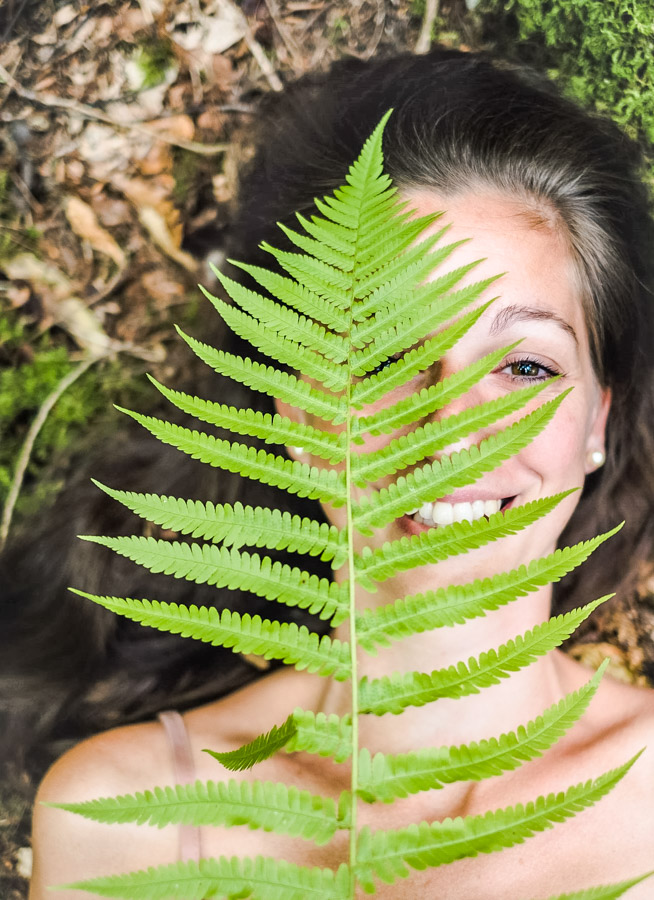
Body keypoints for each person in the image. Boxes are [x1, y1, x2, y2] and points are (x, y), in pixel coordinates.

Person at [22, 48, 654, 898]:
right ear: (295, 414)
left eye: (525, 367)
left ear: (596, 423)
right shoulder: (131, 821)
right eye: (391, 360)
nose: (448, 429)